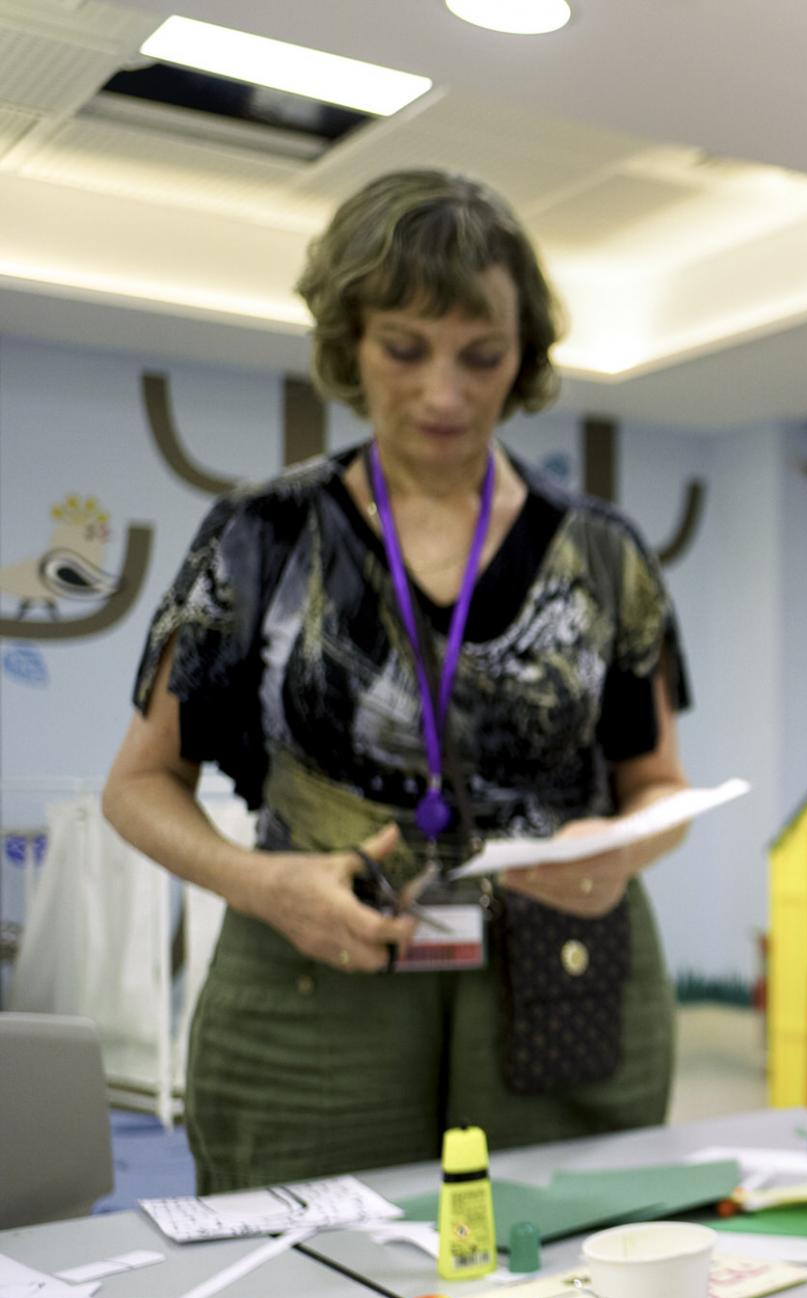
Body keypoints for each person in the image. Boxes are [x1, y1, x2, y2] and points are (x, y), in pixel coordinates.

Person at [103, 170, 693, 1192]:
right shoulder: (261, 535)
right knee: (306, 1284)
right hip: (309, 974)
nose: (445, 394)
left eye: (483, 355)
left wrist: (623, 844)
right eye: (404, 349)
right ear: (349, 342)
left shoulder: (604, 553)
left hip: (561, 981)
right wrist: (265, 883)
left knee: (559, 1288)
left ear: (527, 354)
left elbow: (659, 786)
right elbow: (138, 784)